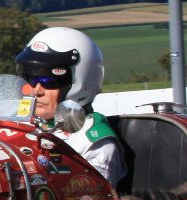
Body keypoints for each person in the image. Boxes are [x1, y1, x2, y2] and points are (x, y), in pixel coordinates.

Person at [14, 26, 126, 187]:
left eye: (49, 81)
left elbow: (92, 198)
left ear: (80, 83)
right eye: (31, 79)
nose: (37, 91)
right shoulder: (18, 125)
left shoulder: (93, 144)